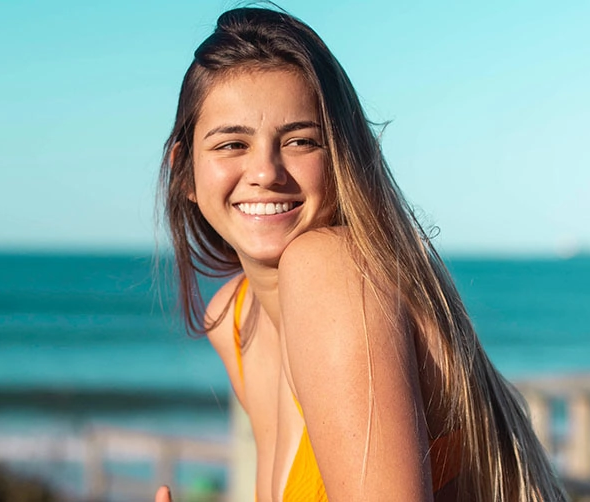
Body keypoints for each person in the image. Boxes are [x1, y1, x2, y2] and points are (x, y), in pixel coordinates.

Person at [155, 7, 567, 502]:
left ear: (347, 158)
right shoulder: (235, 318)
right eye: (231, 144)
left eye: (301, 141)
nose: (265, 171)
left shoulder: (332, 270)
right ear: (186, 175)